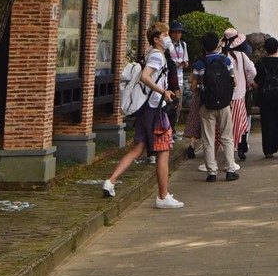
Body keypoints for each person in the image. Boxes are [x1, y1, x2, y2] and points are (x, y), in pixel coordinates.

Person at [99, 22, 185, 208]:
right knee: (163, 152)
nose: (168, 37)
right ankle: (163, 196)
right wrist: (163, 92)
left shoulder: (151, 54)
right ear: (156, 39)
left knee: (138, 148)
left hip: (146, 110)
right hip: (155, 110)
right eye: (165, 35)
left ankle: (111, 181)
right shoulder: (158, 57)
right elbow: (145, 77)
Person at [196, 36, 240, 181]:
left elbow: (194, 87)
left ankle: (211, 172)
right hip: (224, 104)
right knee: (227, 137)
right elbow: (234, 81)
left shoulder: (199, 64)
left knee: (208, 139)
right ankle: (230, 170)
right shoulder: (226, 61)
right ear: (217, 45)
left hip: (207, 105)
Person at [221, 27, 256, 163]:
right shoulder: (241, 55)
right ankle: (237, 150)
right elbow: (252, 71)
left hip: (223, 97)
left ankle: (227, 152)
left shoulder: (221, 55)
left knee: (224, 127)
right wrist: (248, 83)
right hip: (239, 96)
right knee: (240, 125)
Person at [253, 36, 278, 158]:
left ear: (265, 49)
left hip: (265, 97)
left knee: (267, 122)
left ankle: (268, 150)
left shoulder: (259, 63)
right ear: (277, 48)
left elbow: (256, 82)